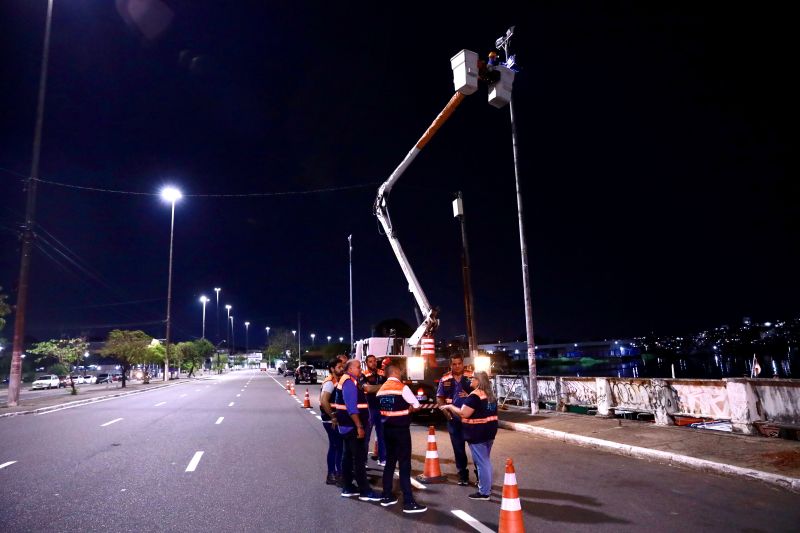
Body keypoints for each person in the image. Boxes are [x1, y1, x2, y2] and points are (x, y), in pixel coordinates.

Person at [439, 371, 498, 500]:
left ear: (479, 381)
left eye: (473, 378)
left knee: (482, 462)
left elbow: (463, 413)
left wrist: (450, 406)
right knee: (485, 460)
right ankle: (486, 486)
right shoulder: (490, 395)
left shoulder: (475, 396)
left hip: (477, 434)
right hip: (490, 433)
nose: (471, 380)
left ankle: (484, 492)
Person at [376, 365, 427, 513]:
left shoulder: (381, 390)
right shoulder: (401, 387)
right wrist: (409, 409)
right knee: (404, 465)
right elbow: (416, 405)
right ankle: (408, 502)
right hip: (401, 430)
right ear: (396, 372)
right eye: (401, 371)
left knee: (390, 463)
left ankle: (386, 495)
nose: (402, 373)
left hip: (387, 430)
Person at [333, 358, 381, 502]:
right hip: (352, 426)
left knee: (347, 457)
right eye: (358, 367)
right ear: (350, 369)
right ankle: (365, 491)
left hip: (347, 426)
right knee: (359, 459)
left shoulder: (349, 380)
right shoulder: (349, 382)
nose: (360, 369)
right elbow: (352, 408)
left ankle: (348, 487)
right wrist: (359, 426)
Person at [436, 354, 474, 485]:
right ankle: (463, 474)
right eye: (454, 364)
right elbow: (439, 398)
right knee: (458, 448)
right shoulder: (445, 378)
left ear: (463, 363)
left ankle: (480, 475)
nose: (457, 366)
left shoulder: (471, 375)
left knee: (475, 447)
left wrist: (469, 394)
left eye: (459, 363)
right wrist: (446, 413)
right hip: (454, 419)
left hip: (471, 418)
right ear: (450, 365)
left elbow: (482, 392)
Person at [319, 357, 344, 486]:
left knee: (336, 446)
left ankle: (333, 474)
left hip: (333, 419)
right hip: (330, 420)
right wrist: (333, 416)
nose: (342, 369)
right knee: (337, 446)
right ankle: (335, 475)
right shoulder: (330, 382)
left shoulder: (337, 380)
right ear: (332, 369)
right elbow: (324, 401)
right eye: (339, 367)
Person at [361, 354, 386, 466]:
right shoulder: (363, 375)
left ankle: (383, 458)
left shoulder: (382, 373)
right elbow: (367, 389)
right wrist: (383, 386)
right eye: (370, 361)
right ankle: (364, 460)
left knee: (382, 435)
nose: (373, 363)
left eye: (375, 361)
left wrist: (376, 388)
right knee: (366, 436)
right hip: (369, 408)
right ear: (366, 363)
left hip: (381, 407)